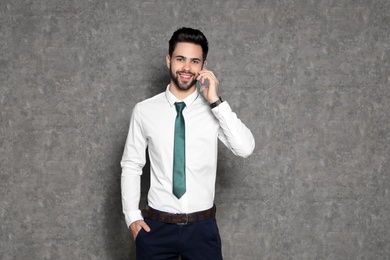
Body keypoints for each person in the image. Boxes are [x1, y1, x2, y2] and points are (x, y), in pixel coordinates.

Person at [121, 27, 255, 260]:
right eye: (180, 58)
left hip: (202, 229)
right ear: (168, 60)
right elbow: (132, 165)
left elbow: (245, 148)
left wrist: (216, 101)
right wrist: (132, 217)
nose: (186, 67)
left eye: (195, 61)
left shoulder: (214, 111)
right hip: (156, 229)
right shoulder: (144, 111)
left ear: (203, 66)